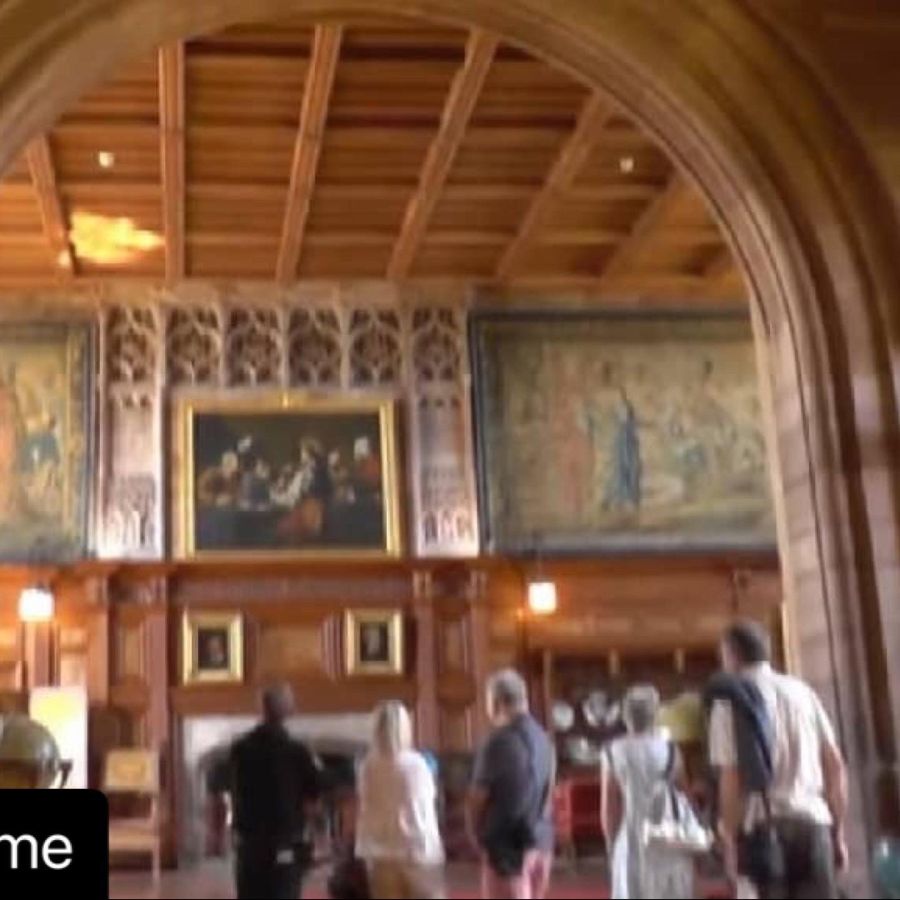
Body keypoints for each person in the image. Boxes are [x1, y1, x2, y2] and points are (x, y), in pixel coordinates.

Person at [707, 621, 848, 899]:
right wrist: (838, 831)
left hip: (763, 827)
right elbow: (834, 764)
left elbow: (731, 777)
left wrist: (730, 840)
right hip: (813, 822)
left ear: (731, 655)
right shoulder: (803, 693)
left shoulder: (729, 701)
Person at [227, 683, 324, 899]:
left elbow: (231, 791)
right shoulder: (297, 751)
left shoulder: (239, 749)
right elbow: (313, 799)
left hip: (249, 847)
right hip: (284, 846)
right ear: (288, 710)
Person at [467, 669, 555, 900]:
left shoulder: (497, 742)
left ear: (496, 702)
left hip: (507, 848)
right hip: (541, 841)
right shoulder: (544, 738)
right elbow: (549, 791)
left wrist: (475, 834)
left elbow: (478, 798)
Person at [601, 685, 694, 899]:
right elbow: (685, 796)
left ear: (626, 716)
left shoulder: (613, 751)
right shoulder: (670, 749)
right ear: (655, 715)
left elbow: (609, 807)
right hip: (667, 833)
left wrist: (610, 845)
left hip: (631, 836)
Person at [355, 701, 445, 899]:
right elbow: (428, 801)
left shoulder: (367, 766)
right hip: (418, 849)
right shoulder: (418, 763)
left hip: (380, 850)